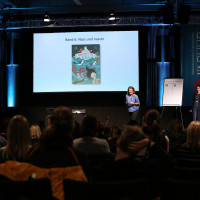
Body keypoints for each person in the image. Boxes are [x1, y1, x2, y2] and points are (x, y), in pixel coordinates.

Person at [26, 106, 90, 180]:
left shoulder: (33, 153)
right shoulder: (79, 157)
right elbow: (86, 188)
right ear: (72, 127)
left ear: (49, 122)